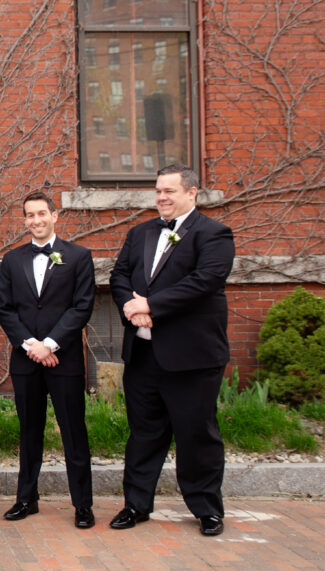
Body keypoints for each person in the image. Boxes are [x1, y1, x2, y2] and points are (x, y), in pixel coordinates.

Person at [109, 163, 235, 537]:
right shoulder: (140, 233)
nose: (162, 197)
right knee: (143, 433)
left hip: (191, 359)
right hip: (144, 356)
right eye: (158, 191)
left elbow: (205, 281)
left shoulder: (214, 234)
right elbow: (119, 276)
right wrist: (132, 310)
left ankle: (207, 509)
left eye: (170, 191)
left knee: (197, 434)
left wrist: (151, 306)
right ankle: (136, 504)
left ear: (192, 193)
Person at [0, 191, 96, 528]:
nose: (36, 220)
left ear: (55, 215)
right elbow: (5, 309)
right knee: (29, 431)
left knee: (73, 432)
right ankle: (26, 499)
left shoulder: (79, 256)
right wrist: (31, 346)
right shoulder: (12, 260)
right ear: (24, 220)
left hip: (63, 360)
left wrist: (51, 344)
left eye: (42, 214)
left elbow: (81, 307)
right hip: (26, 361)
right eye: (29, 215)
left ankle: (82, 504)